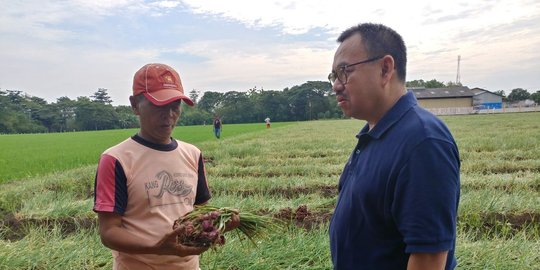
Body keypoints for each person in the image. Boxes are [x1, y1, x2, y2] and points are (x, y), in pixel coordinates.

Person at [328, 23, 460, 270]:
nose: (336, 84)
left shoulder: (423, 143)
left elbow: (428, 259)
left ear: (385, 69)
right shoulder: (375, 133)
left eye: (344, 71)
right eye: (334, 75)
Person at [93, 63, 239, 270]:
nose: (169, 114)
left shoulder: (192, 154)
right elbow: (109, 233)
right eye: (159, 105)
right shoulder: (116, 159)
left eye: (175, 105)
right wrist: (158, 247)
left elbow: (200, 211)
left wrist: (221, 223)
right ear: (135, 105)